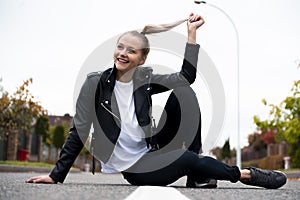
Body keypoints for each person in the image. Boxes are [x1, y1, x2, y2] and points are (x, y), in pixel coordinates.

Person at [26, 13, 287, 189]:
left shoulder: (144, 80)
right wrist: (55, 175)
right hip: (135, 167)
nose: (122, 53)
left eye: (131, 50)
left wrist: (192, 35)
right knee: (186, 159)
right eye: (120, 47)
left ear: (142, 59)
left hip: (151, 149)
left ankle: (198, 173)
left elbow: (186, 77)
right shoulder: (94, 84)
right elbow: (79, 130)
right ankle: (245, 175)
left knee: (184, 93)